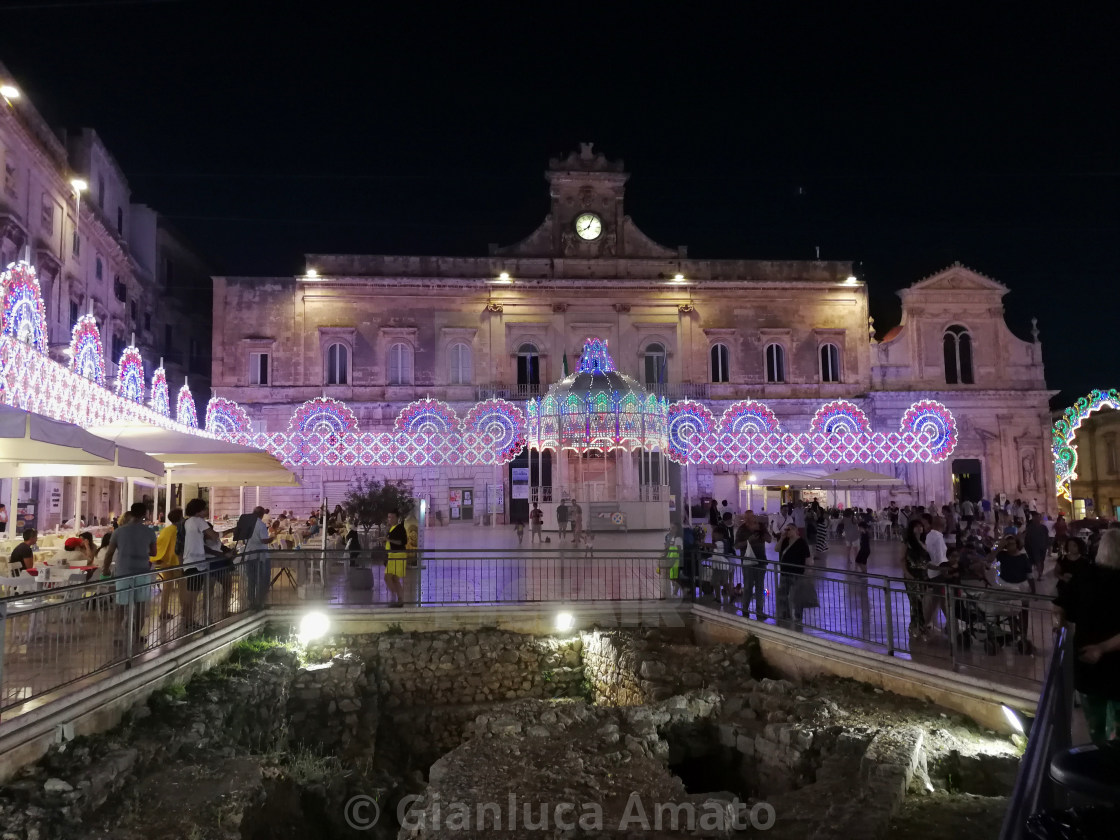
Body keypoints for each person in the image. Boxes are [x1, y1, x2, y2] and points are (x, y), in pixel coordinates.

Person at [1054, 529, 1120, 744]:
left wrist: (1061, 629)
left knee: (1096, 727)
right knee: (1116, 732)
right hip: (1113, 662)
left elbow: (1059, 608)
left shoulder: (1083, 576)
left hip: (1086, 662)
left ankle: (1099, 765)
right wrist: (1102, 648)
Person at [100, 502, 157, 648]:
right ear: (145, 514)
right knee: (140, 606)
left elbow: (110, 553)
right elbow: (154, 552)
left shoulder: (119, 532)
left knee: (121, 605)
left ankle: (117, 635)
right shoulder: (149, 532)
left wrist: (105, 569)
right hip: (142, 571)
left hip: (123, 572)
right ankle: (137, 634)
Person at [180, 498, 220, 630]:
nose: (206, 510)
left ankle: (187, 619)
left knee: (189, 593)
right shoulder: (199, 521)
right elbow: (213, 536)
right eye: (204, 508)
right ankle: (190, 621)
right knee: (193, 595)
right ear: (199, 510)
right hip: (197, 563)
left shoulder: (187, 522)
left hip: (188, 561)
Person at [152, 508, 184, 638]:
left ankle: (163, 611)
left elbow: (159, 544)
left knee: (167, 588)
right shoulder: (180, 530)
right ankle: (184, 610)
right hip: (177, 562)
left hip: (166, 562)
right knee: (182, 587)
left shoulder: (166, 530)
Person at [735, 511, 770, 620]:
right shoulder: (741, 529)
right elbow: (736, 545)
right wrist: (748, 541)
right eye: (746, 518)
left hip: (760, 561)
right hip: (748, 562)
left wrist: (761, 532)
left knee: (760, 587)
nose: (749, 520)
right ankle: (745, 610)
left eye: (751, 518)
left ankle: (759, 611)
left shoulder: (761, 527)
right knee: (748, 586)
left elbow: (769, 539)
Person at [775, 523, 810, 625]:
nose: (787, 531)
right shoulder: (785, 540)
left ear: (795, 530)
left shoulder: (802, 542)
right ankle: (785, 613)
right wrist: (781, 538)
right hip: (785, 572)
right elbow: (776, 549)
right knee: (782, 595)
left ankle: (798, 616)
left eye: (789, 529)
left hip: (797, 573)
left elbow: (808, 558)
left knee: (797, 596)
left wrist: (807, 571)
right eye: (786, 529)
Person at [901, 519, 931, 637]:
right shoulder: (907, 543)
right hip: (912, 575)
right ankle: (918, 626)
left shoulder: (923, 543)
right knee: (915, 601)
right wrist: (907, 574)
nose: (919, 529)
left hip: (922, 575)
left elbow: (926, 561)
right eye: (917, 527)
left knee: (921, 601)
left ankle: (917, 625)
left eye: (921, 526)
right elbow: (902, 559)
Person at [245, 505, 274, 607]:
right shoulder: (260, 525)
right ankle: (261, 601)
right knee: (262, 579)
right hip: (260, 556)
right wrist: (272, 538)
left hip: (249, 554)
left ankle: (251, 600)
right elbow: (264, 540)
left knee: (251, 580)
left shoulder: (248, 524)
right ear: (262, 515)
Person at [384, 510, 408, 607]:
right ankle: (400, 599)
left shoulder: (400, 528)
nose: (390, 519)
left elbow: (402, 542)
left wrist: (388, 540)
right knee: (394, 579)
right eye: (389, 517)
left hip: (398, 555)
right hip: (392, 555)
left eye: (392, 517)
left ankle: (394, 597)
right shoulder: (391, 528)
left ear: (397, 518)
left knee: (387, 577)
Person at [1023, 511, 1050, 580]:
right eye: (1036, 517)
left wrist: (1047, 545)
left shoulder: (1044, 527)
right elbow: (1027, 538)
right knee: (1038, 561)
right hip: (1034, 547)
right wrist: (1028, 547)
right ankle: (1040, 575)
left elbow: (1046, 537)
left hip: (1042, 547)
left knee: (1041, 561)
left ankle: (1040, 574)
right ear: (1033, 518)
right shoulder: (1030, 527)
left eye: (1038, 517)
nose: (1037, 519)